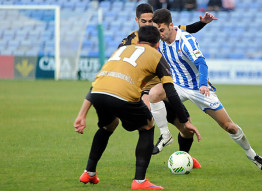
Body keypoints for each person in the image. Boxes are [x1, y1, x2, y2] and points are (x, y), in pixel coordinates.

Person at [74, 3, 216, 158]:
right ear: (137, 21)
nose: (149, 25)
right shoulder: (131, 40)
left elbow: (187, 29)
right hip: (145, 91)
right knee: (147, 121)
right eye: (144, 21)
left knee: (187, 128)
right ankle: (144, 154)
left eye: (151, 21)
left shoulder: (163, 32)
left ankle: (183, 158)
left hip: (166, 87)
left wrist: (203, 23)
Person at [74, 25, 201, 189]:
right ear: (157, 43)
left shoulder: (120, 51)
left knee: (109, 125)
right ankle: (140, 181)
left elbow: (97, 82)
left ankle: (89, 173)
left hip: (98, 93)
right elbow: (170, 91)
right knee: (147, 125)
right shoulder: (156, 55)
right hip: (122, 95)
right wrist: (185, 120)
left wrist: (82, 114)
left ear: (138, 40)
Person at [149, 8, 262, 172]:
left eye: (162, 30)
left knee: (229, 126)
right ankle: (165, 135)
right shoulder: (160, 40)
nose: (160, 34)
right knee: (153, 94)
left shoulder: (186, 41)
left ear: (171, 26)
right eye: (157, 31)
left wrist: (202, 84)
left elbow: (201, 63)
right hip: (176, 85)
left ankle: (252, 154)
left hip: (198, 88)